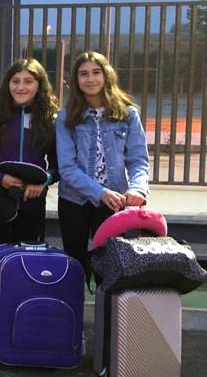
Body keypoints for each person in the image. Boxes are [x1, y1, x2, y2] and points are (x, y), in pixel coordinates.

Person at [56, 51, 149, 281]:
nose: (90, 79)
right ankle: (74, 304)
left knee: (111, 268)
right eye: (83, 74)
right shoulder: (66, 117)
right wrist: (100, 192)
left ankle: (108, 306)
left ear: (106, 75)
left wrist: (137, 188)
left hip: (115, 201)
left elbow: (138, 159)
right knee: (75, 266)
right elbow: (66, 168)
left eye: (96, 72)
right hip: (74, 201)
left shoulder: (128, 114)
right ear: (76, 80)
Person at [0, 59, 59, 251]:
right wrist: (1, 179)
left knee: (27, 261)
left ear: (39, 85)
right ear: (7, 84)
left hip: (32, 203)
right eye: (15, 81)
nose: (21, 87)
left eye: (28, 81)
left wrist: (43, 181)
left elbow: (58, 165)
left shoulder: (50, 121)